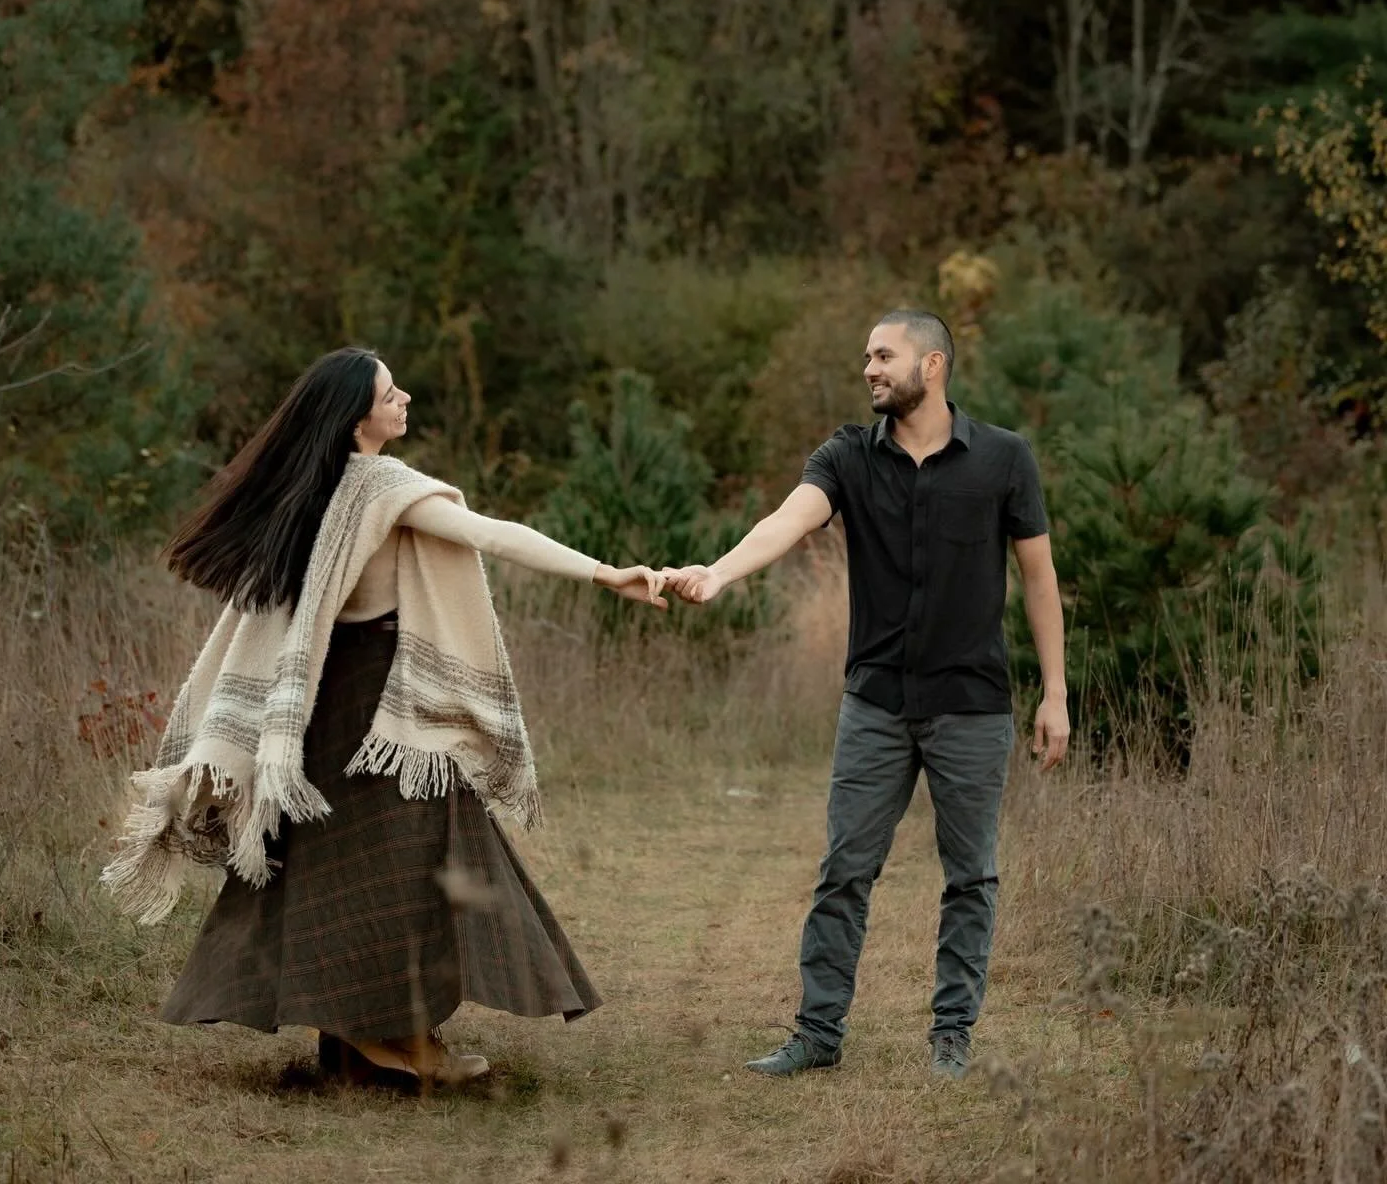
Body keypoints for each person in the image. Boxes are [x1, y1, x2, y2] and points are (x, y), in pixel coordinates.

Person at [103, 347, 664, 1091]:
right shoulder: (381, 487)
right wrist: (604, 572)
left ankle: (356, 1042)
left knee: (331, 867)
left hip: (323, 711)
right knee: (407, 869)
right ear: (355, 415)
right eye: (389, 392)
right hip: (375, 717)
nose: (404, 399)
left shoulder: (315, 491)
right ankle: (397, 1040)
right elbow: (492, 533)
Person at [666, 309, 1069, 1080]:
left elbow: (1040, 579)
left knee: (970, 877)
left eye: (885, 355)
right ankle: (818, 1034)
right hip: (877, 704)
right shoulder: (848, 456)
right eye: (866, 357)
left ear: (934, 365)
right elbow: (788, 519)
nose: (870, 369)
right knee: (845, 870)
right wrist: (720, 571)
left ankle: (951, 1037)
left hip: (973, 707)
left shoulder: (1005, 460)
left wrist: (1055, 693)